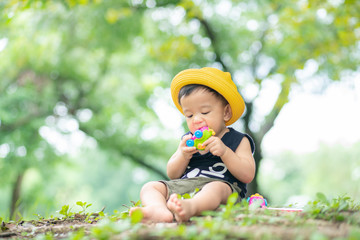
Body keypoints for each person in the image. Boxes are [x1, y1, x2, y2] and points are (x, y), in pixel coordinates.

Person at [130, 67, 255, 223]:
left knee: (215, 187)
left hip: (222, 189)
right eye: (189, 115)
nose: (196, 120)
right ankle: (159, 210)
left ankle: (191, 207)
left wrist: (225, 152)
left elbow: (248, 174)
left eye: (205, 112)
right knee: (150, 187)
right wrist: (183, 155)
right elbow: (173, 174)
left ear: (226, 112)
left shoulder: (238, 140)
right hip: (186, 186)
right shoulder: (187, 140)